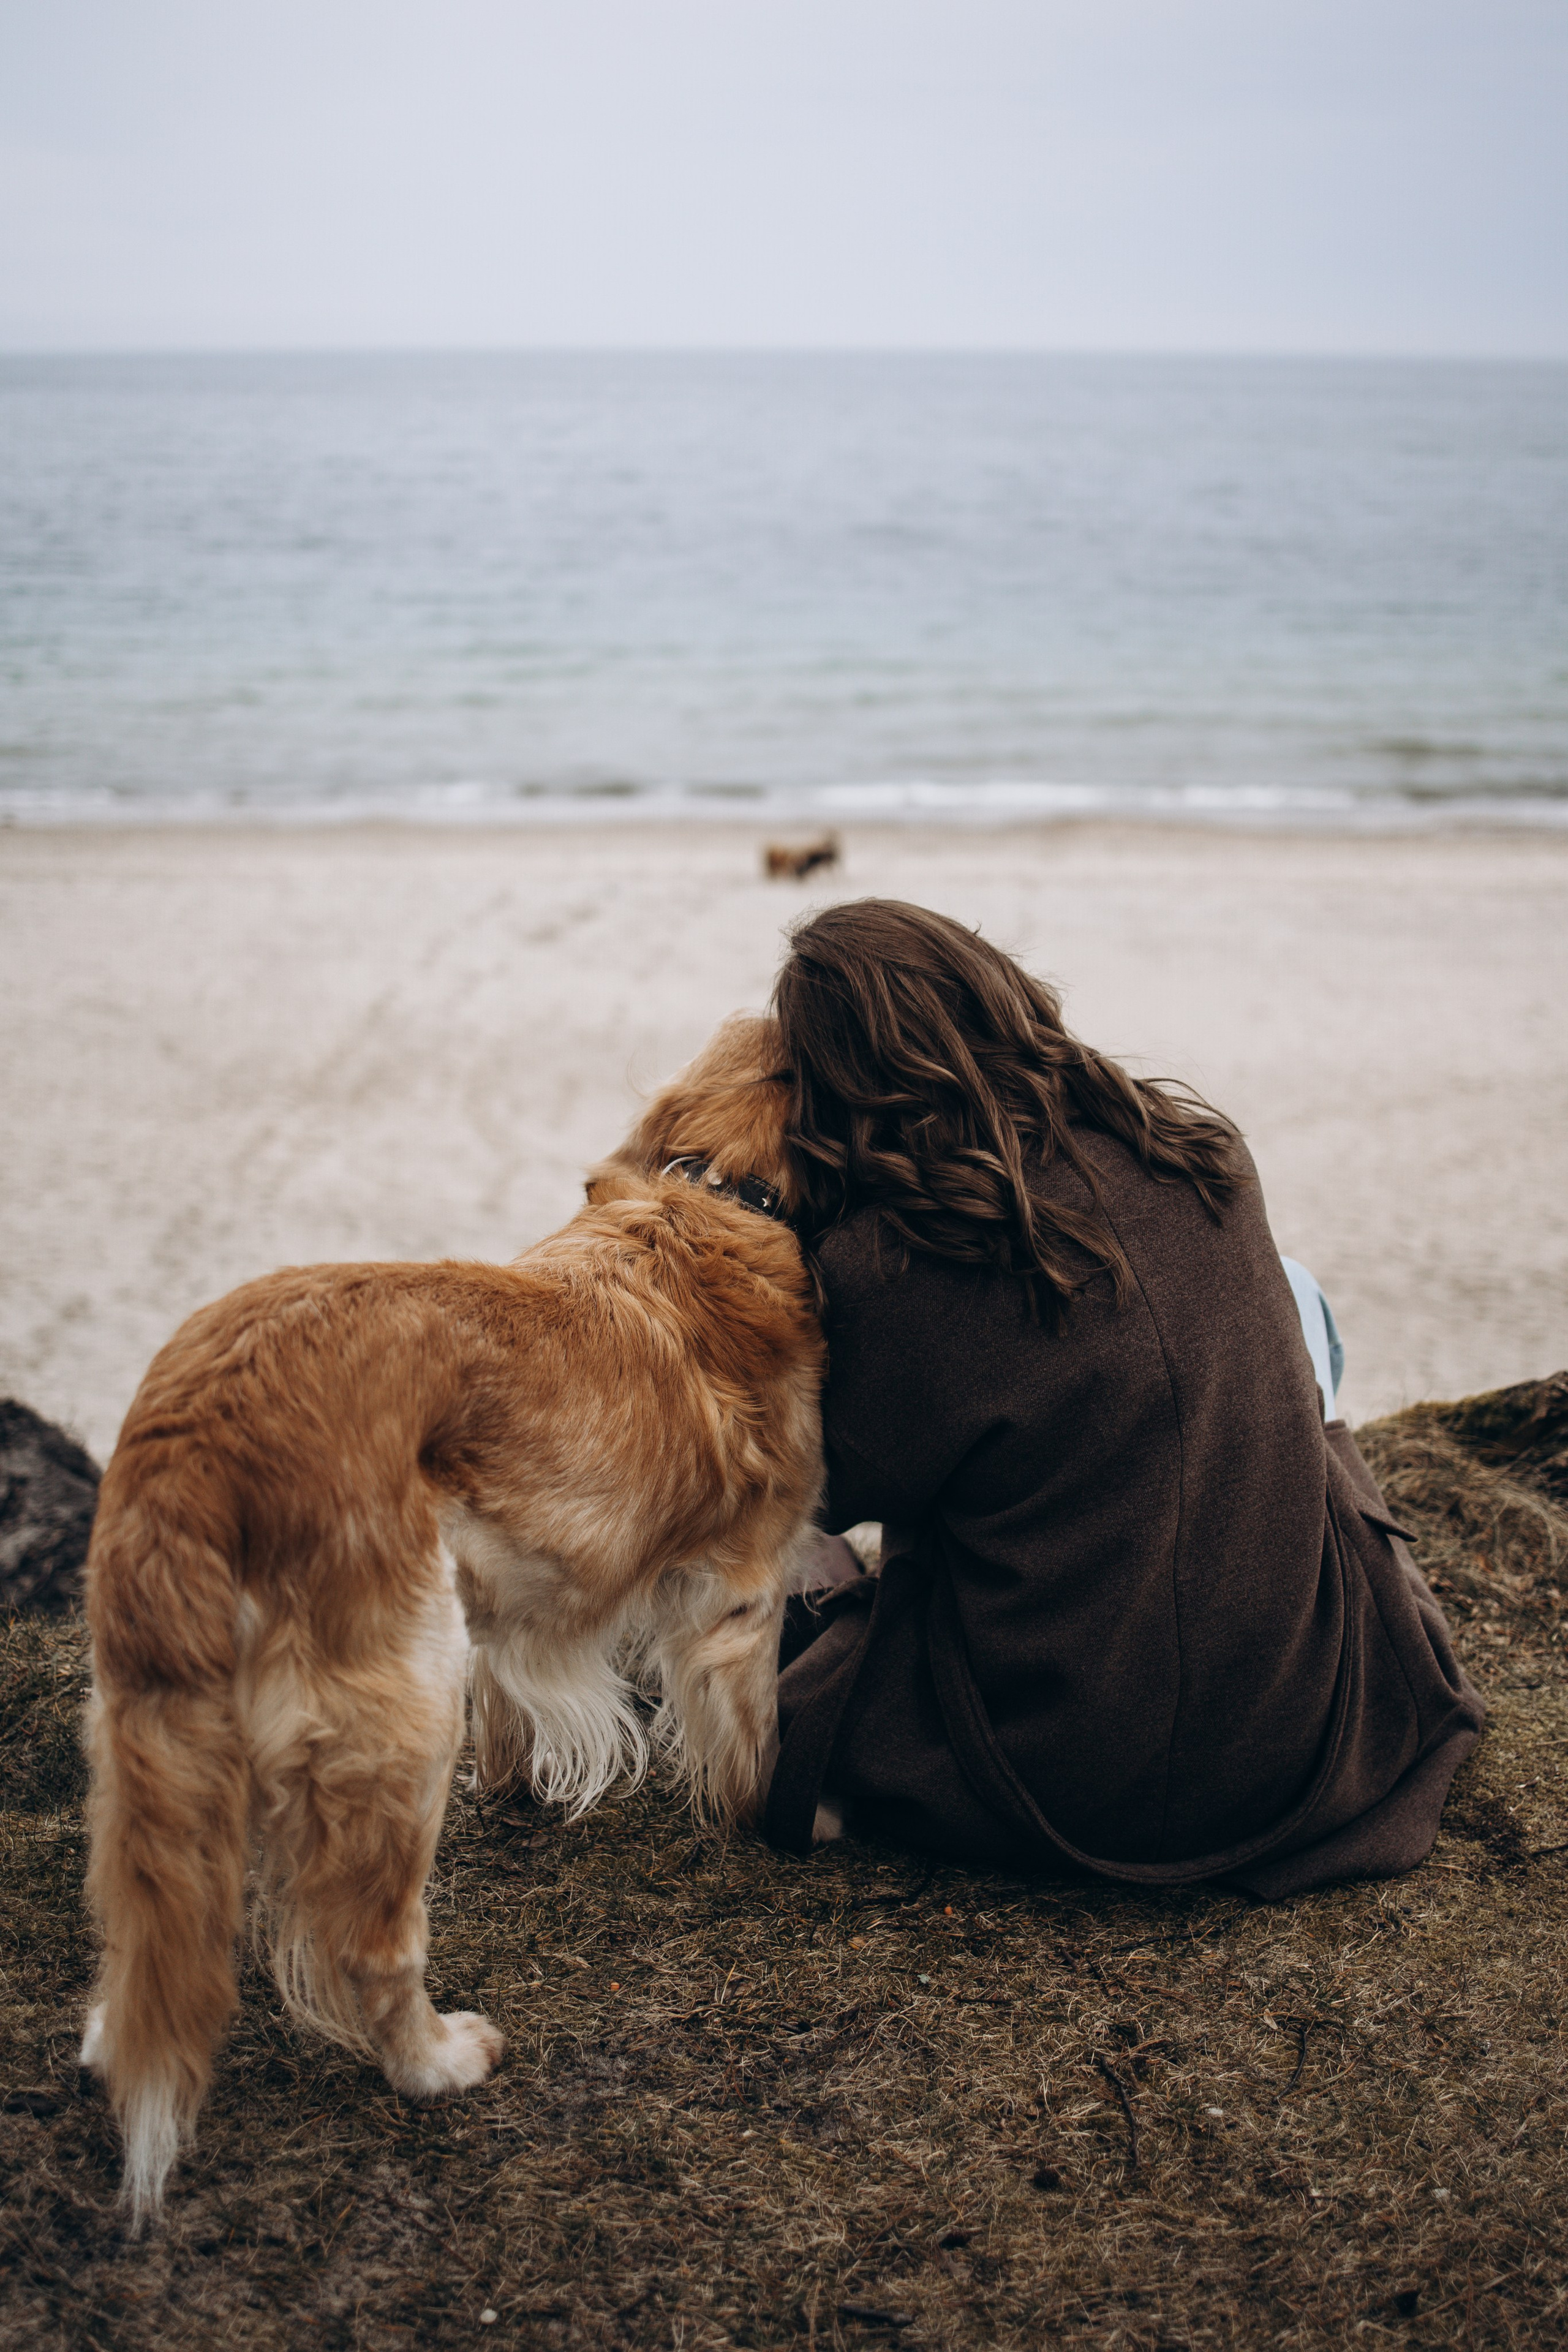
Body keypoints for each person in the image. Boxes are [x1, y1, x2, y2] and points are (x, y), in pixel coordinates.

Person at [764, 901, 1482, 1896]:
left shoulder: (890, 1263)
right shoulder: (1201, 1151)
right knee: (1291, 1302)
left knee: (778, 1536)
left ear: (835, 1085)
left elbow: (830, 1493)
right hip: (1307, 1730)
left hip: (1065, 1776)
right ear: (1000, 998)